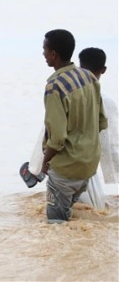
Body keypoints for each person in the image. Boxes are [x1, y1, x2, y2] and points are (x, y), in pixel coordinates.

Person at [40, 29, 107, 224]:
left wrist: (45, 162)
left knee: (56, 225)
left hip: (66, 169)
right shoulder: (89, 77)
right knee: (70, 220)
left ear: (54, 54)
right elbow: (102, 121)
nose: (43, 54)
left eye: (44, 49)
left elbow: (57, 138)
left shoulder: (54, 87)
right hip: (88, 166)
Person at [79, 47, 118, 186]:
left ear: (80, 67)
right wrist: (112, 183)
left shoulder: (69, 97)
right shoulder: (107, 102)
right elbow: (111, 145)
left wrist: (35, 170)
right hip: (91, 171)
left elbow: (51, 131)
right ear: (104, 69)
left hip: (68, 170)